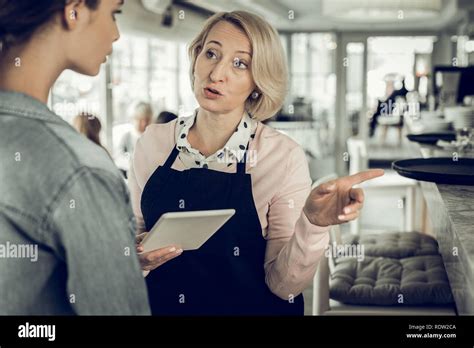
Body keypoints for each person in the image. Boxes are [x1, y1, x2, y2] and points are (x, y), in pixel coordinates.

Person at [130, 10, 384, 315]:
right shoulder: (153, 143)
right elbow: (132, 238)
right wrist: (134, 259)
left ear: (257, 82)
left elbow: (284, 286)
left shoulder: (281, 157)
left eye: (240, 63)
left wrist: (313, 224)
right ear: (196, 57)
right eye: (211, 53)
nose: (216, 73)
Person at [0, 0, 150, 314]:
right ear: (75, 10)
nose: (116, 34)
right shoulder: (78, 167)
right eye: (114, 13)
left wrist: (108, 255)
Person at [115, 101, 153, 175]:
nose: (144, 123)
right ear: (134, 119)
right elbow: (119, 157)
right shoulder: (126, 137)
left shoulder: (153, 137)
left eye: (147, 120)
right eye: (141, 119)